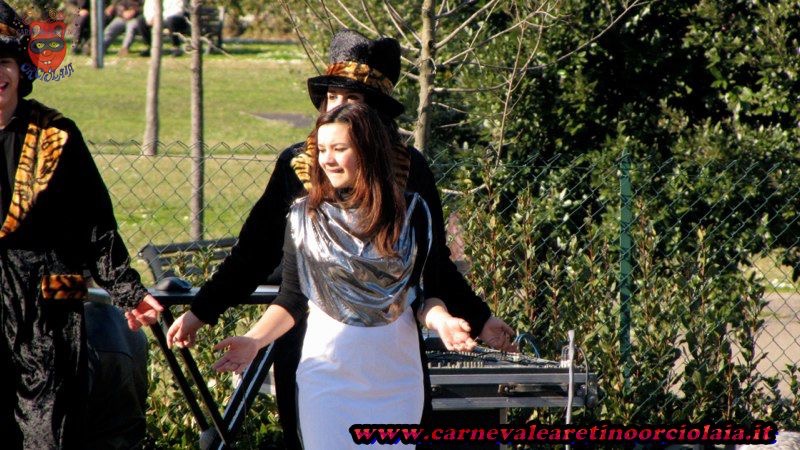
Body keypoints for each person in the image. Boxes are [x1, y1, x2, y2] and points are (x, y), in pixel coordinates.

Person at [167, 29, 516, 449]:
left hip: (392, 359)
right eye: (331, 97)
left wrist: (478, 317)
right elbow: (254, 254)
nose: (337, 107)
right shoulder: (298, 169)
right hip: (313, 346)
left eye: (351, 98)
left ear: (375, 115)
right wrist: (202, 311)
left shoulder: (412, 176)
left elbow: (432, 268)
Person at [214, 102, 472, 449]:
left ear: (367, 150)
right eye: (321, 149)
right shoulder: (303, 216)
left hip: (396, 382)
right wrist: (254, 340)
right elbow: (292, 299)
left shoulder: (412, 213)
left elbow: (424, 297)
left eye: (339, 148)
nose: (327, 159)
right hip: (327, 381)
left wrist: (443, 321)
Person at [0, 2, 163, 448]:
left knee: (49, 433)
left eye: (5, 62)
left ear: (21, 68)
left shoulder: (56, 134)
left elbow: (96, 226)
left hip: (46, 311)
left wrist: (128, 290)